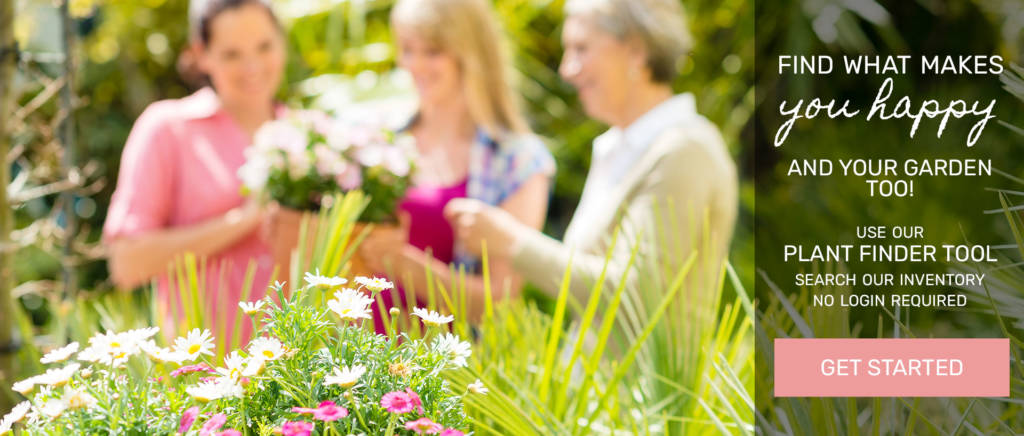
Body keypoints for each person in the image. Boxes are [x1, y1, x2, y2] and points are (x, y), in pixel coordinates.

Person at [445, 0, 738, 305]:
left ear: (636, 51)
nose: (567, 70)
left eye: (581, 48)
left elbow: (638, 295)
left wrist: (513, 243)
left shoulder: (686, 150)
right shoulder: (618, 146)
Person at [358, 0, 555, 325]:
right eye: (408, 49)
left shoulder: (518, 161)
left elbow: (498, 302)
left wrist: (402, 262)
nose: (416, 65)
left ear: (470, 55)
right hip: (354, 358)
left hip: (444, 366)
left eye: (433, 51)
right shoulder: (378, 137)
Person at [104, 0, 287, 343]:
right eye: (232, 54)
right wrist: (241, 221)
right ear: (201, 54)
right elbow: (127, 263)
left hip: (301, 375)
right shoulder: (168, 129)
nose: (252, 66)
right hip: (204, 377)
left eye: (264, 46)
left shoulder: (311, 140)